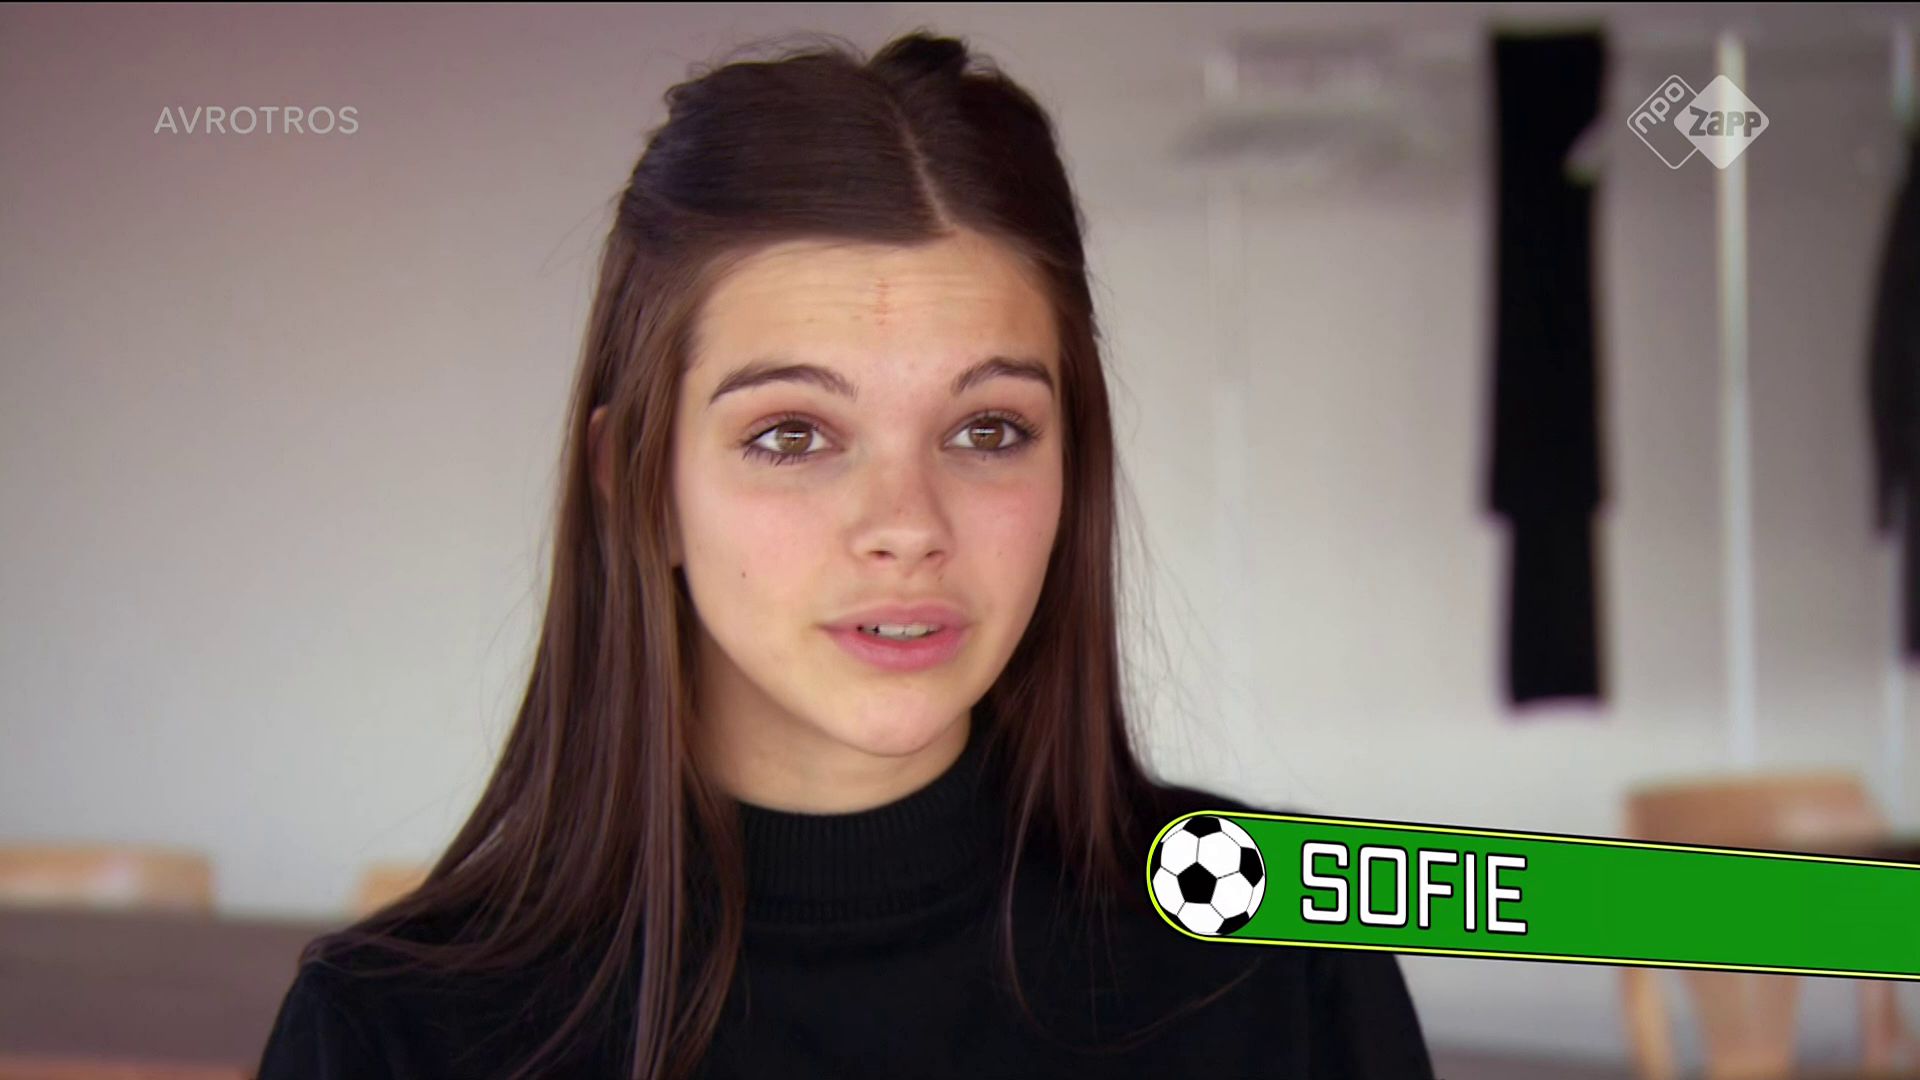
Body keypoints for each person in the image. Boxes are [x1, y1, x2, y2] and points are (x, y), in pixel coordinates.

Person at [256, 27, 1435, 1080]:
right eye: (792, 435)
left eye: (988, 430)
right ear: (639, 489)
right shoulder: (389, 1034)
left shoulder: (1291, 947)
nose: (907, 523)